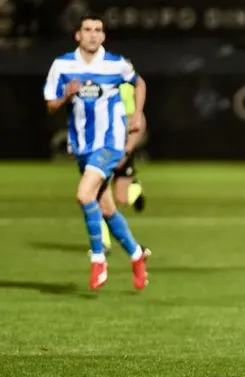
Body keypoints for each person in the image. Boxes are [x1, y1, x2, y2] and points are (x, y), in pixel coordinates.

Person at [43, 14, 150, 290]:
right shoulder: (62, 65)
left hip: (110, 142)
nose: (93, 34)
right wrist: (66, 95)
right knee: (106, 207)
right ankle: (137, 256)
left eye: (98, 30)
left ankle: (98, 259)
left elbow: (139, 83)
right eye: (87, 30)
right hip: (82, 146)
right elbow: (50, 106)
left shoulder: (116, 63)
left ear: (103, 36)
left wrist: (137, 115)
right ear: (77, 35)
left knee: (83, 195)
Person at [100, 82, 148, 252]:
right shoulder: (98, 87)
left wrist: (126, 151)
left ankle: (135, 189)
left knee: (122, 199)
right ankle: (103, 243)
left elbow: (138, 122)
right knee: (97, 194)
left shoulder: (127, 87)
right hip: (104, 148)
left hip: (123, 147)